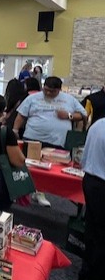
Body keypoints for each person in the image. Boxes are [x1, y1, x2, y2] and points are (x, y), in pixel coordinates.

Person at [14, 76, 87, 206]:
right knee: (26, 166)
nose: (48, 93)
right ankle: (22, 192)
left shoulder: (69, 99)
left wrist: (69, 115)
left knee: (49, 169)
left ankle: (40, 192)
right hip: (32, 137)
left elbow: (83, 115)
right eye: (46, 89)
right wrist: (15, 130)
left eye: (52, 91)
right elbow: (21, 115)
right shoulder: (33, 98)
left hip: (57, 140)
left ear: (59, 90)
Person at [78, 117, 105, 280]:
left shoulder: (98, 124)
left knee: (92, 230)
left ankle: (86, 273)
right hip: (101, 183)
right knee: (101, 236)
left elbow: (84, 156)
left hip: (91, 180)